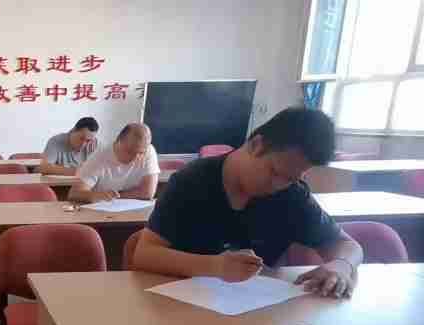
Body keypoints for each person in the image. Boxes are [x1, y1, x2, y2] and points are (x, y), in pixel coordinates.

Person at [133, 107, 363, 298]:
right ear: (257, 145)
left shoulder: (292, 194)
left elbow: (348, 245)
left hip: (254, 309)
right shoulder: (192, 181)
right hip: (181, 304)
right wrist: (215, 266)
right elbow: (145, 254)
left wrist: (341, 264)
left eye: (291, 179)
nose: (279, 185)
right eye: (275, 172)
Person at [69, 123, 160, 203]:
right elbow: (74, 194)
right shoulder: (99, 156)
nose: (136, 158)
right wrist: (95, 195)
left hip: (132, 210)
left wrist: (114, 196)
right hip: (102, 211)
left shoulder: (148, 151)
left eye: (140, 153)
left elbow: (148, 193)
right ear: (118, 142)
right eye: (130, 151)